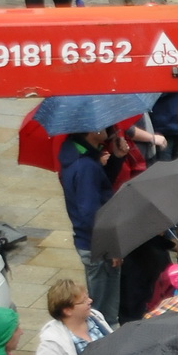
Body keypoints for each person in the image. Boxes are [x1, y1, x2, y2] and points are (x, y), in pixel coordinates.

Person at [58, 128, 125, 324]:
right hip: (98, 248)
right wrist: (110, 246)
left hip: (92, 244)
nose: (109, 128)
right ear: (92, 131)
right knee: (104, 314)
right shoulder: (85, 166)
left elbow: (100, 185)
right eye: (104, 126)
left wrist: (117, 158)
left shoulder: (82, 158)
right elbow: (90, 214)